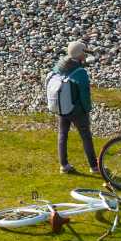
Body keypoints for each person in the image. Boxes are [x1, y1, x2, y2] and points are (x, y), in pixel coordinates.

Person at [50, 39, 97, 175]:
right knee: (86, 136)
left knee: (62, 134)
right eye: (84, 52)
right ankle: (94, 167)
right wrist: (87, 109)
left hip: (62, 106)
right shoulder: (80, 72)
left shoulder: (59, 65)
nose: (86, 54)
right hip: (76, 109)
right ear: (80, 54)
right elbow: (84, 94)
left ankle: (64, 165)